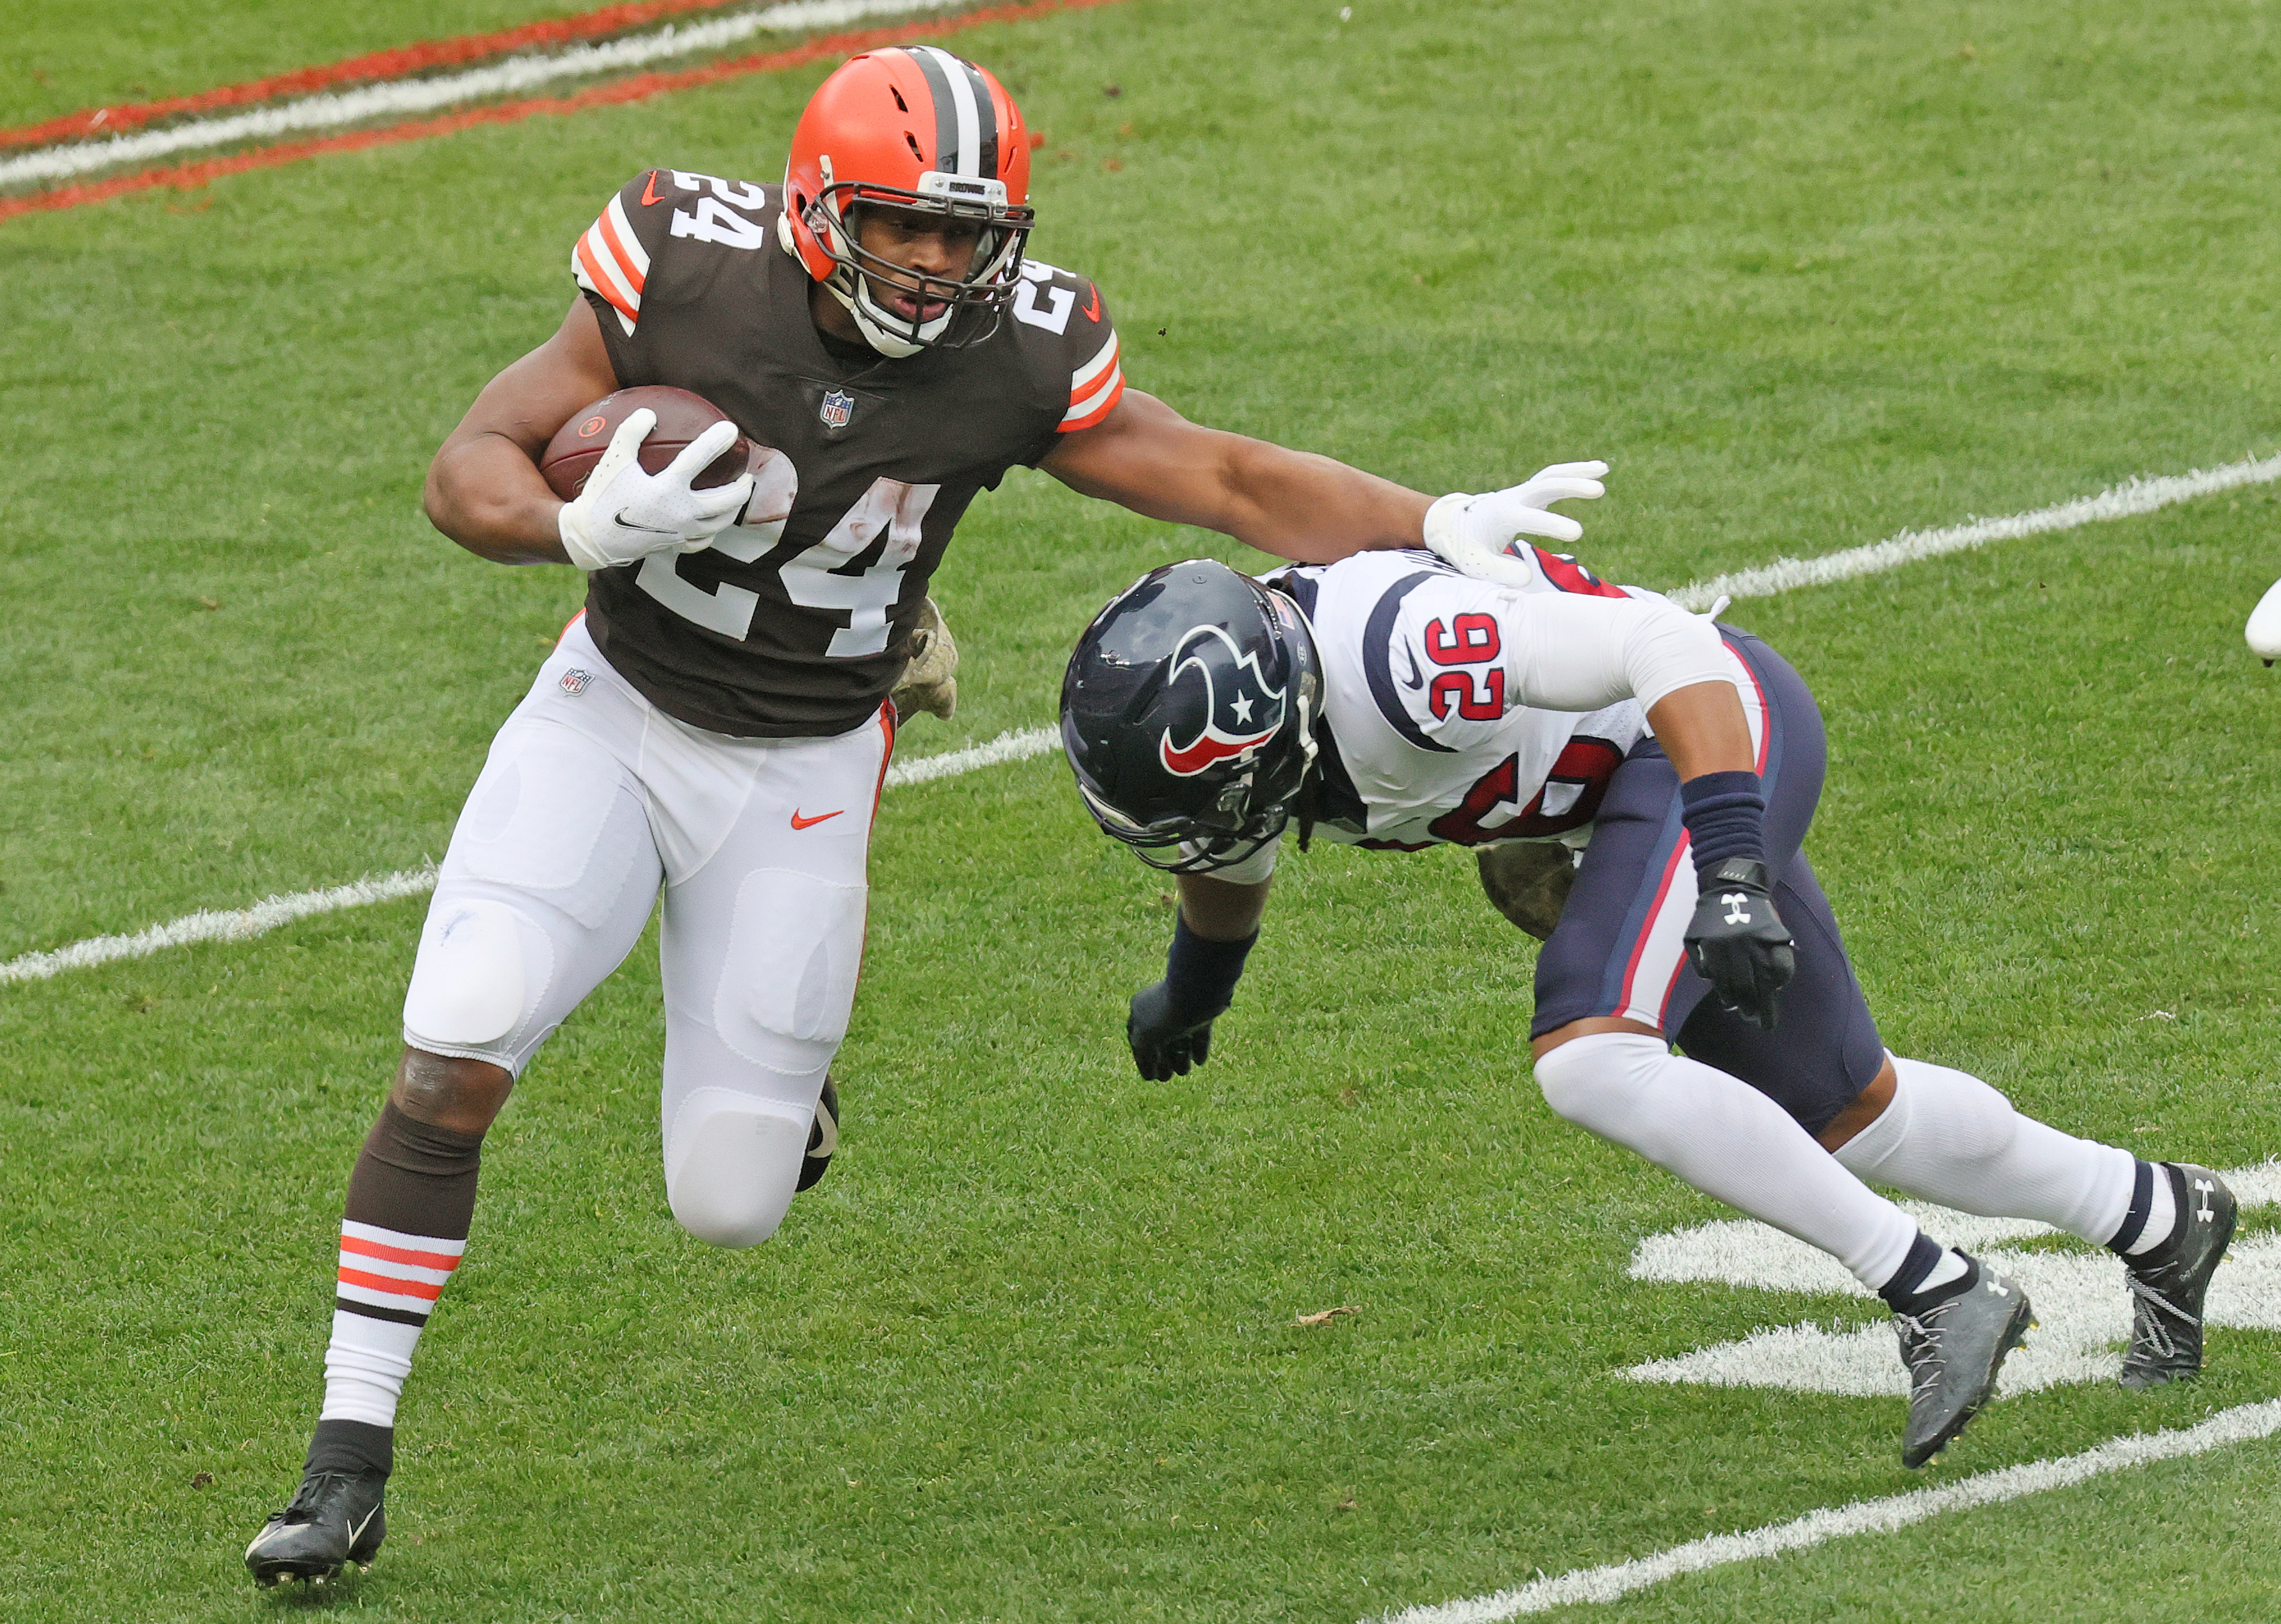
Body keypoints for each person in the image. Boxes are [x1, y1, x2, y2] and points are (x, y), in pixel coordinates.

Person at [243, 44, 1603, 1587]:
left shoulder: (1014, 355)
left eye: (967, 234)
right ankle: (345, 1462)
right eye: (905, 226)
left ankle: (888, 700)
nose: (937, 263)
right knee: (459, 1033)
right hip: (615, 709)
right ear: (820, 208)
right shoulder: (682, 268)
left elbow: (1216, 474)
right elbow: (462, 468)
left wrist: (1430, 520)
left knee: (730, 1200)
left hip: (806, 757)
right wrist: (572, 522)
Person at [1057, 535, 2239, 1469]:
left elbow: (1670, 649)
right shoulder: (1261, 720)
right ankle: (2157, 1216)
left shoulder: (1395, 652)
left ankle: (1937, 1291)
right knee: (1847, 1116)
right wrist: (1192, 992)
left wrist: (1730, 866)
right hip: (1634, 794)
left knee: (1591, 1052)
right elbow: (1229, 847)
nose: (1204, 840)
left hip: (1707, 734)